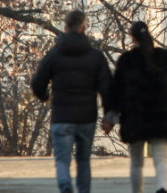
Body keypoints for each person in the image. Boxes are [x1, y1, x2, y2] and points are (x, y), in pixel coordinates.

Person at [31, 10, 112, 193]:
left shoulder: (54, 54)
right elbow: (107, 89)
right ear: (84, 27)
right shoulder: (96, 57)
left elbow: (37, 83)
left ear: (65, 28)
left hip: (61, 116)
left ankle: (66, 186)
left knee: (62, 159)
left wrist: (45, 96)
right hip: (86, 118)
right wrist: (108, 116)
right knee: (83, 160)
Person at [103, 21, 167, 193]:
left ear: (132, 38)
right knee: (161, 159)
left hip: (135, 117)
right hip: (161, 117)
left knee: (136, 162)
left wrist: (111, 116)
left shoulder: (126, 61)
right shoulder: (166, 58)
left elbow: (116, 91)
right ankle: (162, 188)